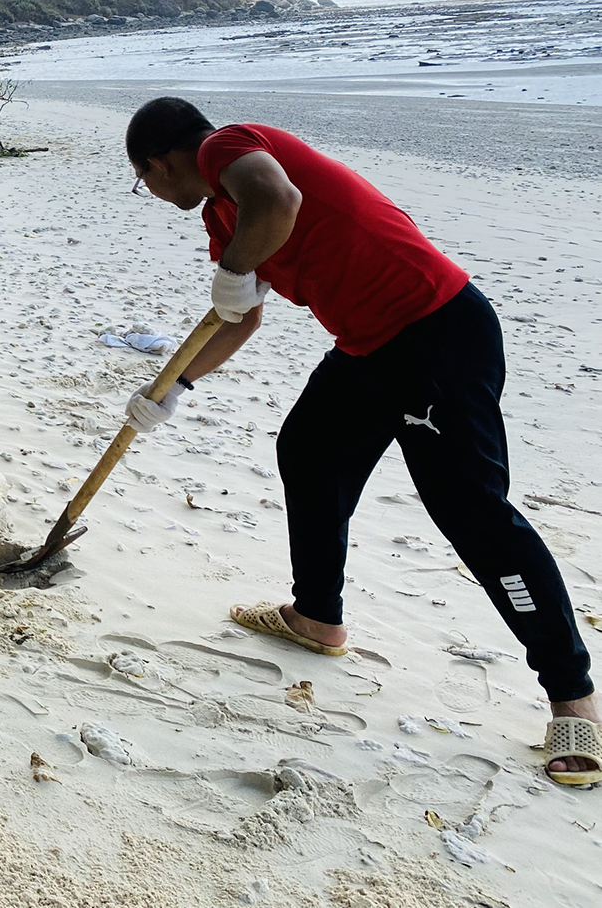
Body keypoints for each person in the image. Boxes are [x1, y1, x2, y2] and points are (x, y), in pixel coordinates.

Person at [122, 96, 598, 786]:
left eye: (144, 181)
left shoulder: (228, 147)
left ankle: (573, 695)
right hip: (368, 346)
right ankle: (315, 616)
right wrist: (168, 386)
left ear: (158, 163)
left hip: (435, 331)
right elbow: (237, 318)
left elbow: (277, 199)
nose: (152, 192)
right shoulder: (220, 218)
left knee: (472, 515)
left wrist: (232, 272)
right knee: (307, 449)